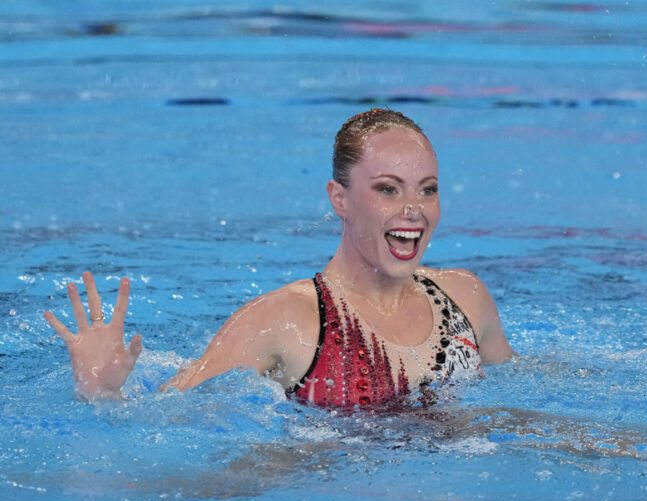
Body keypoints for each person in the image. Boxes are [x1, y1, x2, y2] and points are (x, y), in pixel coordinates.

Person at [44, 108, 518, 408]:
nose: (413, 210)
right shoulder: (284, 322)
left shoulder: (465, 299)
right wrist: (102, 395)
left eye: (428, 190)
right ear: (340, 198)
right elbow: (166, 420)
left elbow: (520, 396)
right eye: (387, 189)